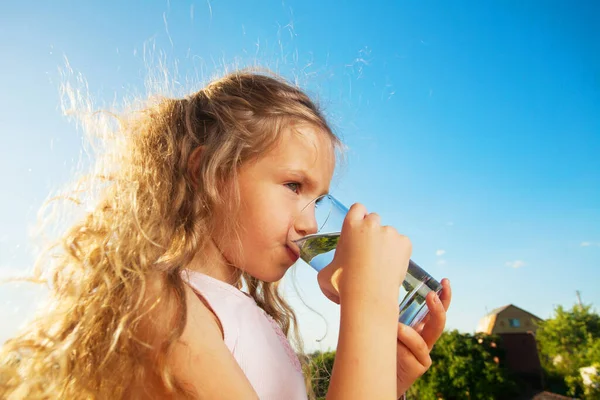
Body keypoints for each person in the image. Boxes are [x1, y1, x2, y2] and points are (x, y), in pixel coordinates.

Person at [0, 70, 451, 399]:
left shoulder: (234, 311)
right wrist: (367, 304)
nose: (312, 224)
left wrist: (381, 377)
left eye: (318, 199)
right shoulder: (161, 304)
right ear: (208, 173)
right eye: (294, 186)